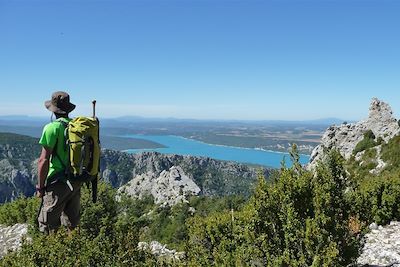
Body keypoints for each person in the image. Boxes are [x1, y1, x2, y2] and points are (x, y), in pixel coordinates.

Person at [37, 91, 81, 234]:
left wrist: (40, 187)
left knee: (47, 226)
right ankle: (73, 252)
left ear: (53, 110)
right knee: (72, 225)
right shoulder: (76, 127)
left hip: (57, 183)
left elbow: (43, 160)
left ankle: (51, 254)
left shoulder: (52, 128)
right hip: (75, 181)